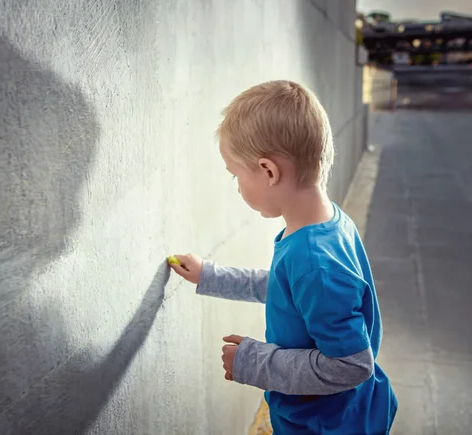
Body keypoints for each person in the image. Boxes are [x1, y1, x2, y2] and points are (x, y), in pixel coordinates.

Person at [169, 80, 397, 434]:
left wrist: (255, 362)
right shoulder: (326, 225)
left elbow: (352, 366)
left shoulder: (314, 261)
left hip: (324, 423)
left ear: (269, 172)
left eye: (236, 176)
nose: (238, 187)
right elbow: (286, 290)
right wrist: (209, 276)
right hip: (326, 414)